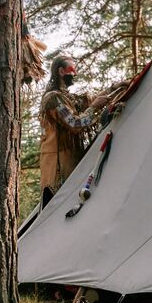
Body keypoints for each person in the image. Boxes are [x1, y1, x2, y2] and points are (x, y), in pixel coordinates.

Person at [39, 55, 116, 206]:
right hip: (58, 169)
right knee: (58, 209)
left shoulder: (65, 97)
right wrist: (93, 108)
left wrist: (114, 88)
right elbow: (75, 124)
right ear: (61, 71)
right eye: (73, 70)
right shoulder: (53, 99)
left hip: (69, 162)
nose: (75, 74)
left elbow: (91, 100)